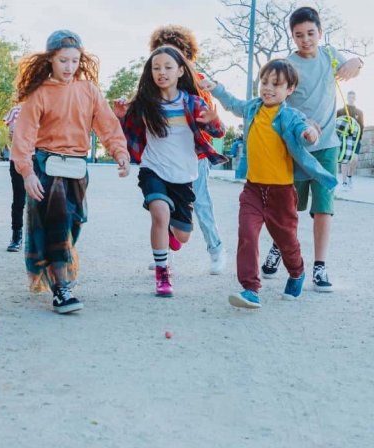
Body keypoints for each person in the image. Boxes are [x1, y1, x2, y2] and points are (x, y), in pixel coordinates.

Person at [11, 30, 130, 314]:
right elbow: (24, 136)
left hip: (77, 168)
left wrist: (120, 153)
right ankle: (62, 290)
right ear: (50, 59)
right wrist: (27, 172)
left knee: (73, 224)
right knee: (58, 223)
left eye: (74, 61)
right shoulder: (39, 94)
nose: (69, 67)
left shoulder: (88, 91)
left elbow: (108, 125)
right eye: (63, 60)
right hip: (45, 167)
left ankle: (55, 275)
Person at [203, 59, 338, 309]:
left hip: (282, 193)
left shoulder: (290, 115)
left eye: (276, 84)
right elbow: (233, 104)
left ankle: (297, 272)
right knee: (247, 234)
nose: (268, 88)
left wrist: (311, 134)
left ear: (290, 89)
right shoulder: (253, 107)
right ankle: (250, 289)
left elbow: (304, 131)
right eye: (264, 82)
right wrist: (216, 88)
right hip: (253, 188)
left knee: (286, 241)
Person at [260, 6, 363, 292]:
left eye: (310, 33)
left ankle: (319, 266)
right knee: (289, 207)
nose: (305, 39)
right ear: (292, 36)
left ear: (319, 32)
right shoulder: (287, 65)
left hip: (327, 145)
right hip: (296, 146)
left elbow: (352, 66)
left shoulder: (330, 55)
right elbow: (277, 102)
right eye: (299, 35)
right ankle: (279, 247)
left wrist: (357, 61)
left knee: (323, 208)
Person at [116, 46, 226, 298]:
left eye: (167, 67)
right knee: (160, 213)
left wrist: (213, 121)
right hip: (153, 170)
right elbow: (126, 132)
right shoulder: (145, 104)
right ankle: (162, 273)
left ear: (179, 71)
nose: (161, 72)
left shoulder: (193, 103)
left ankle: (168, 235)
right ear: (150, 72)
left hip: (183, 176)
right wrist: (121, 117)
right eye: (156, 68)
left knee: (183, 236)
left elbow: (218, 133)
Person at [140, 25, 228, 275]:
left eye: (175, 53)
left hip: (194, 155)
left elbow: (209, 121)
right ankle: (164, 251)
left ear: (185, 56)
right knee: (162, 206)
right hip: (166, 157)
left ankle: (216, 250)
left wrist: (211, 119)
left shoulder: (198, 82)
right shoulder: (154, 86)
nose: (166, 62)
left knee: (201, 203)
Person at [3, 105, 26, 252]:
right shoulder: (16, 110)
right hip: (18, 158)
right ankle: (16, 236)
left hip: (40, 159)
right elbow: (11, 135)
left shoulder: (48, 107)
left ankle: (40, 239)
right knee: (19, 200)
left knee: (42, 201)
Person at [336, 90, 364, 188]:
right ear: (347, 98)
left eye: (353, 97)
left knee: (354, 160)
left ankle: (349, 176)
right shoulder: (340, 111)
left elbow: (361, 126)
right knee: (345, 159)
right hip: (343, 139)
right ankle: (344, 182)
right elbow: (336, 125)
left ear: (355, 99)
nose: (351, 99)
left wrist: (360, 138)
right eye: (349, 97)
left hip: (355, 140)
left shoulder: (359, 112)